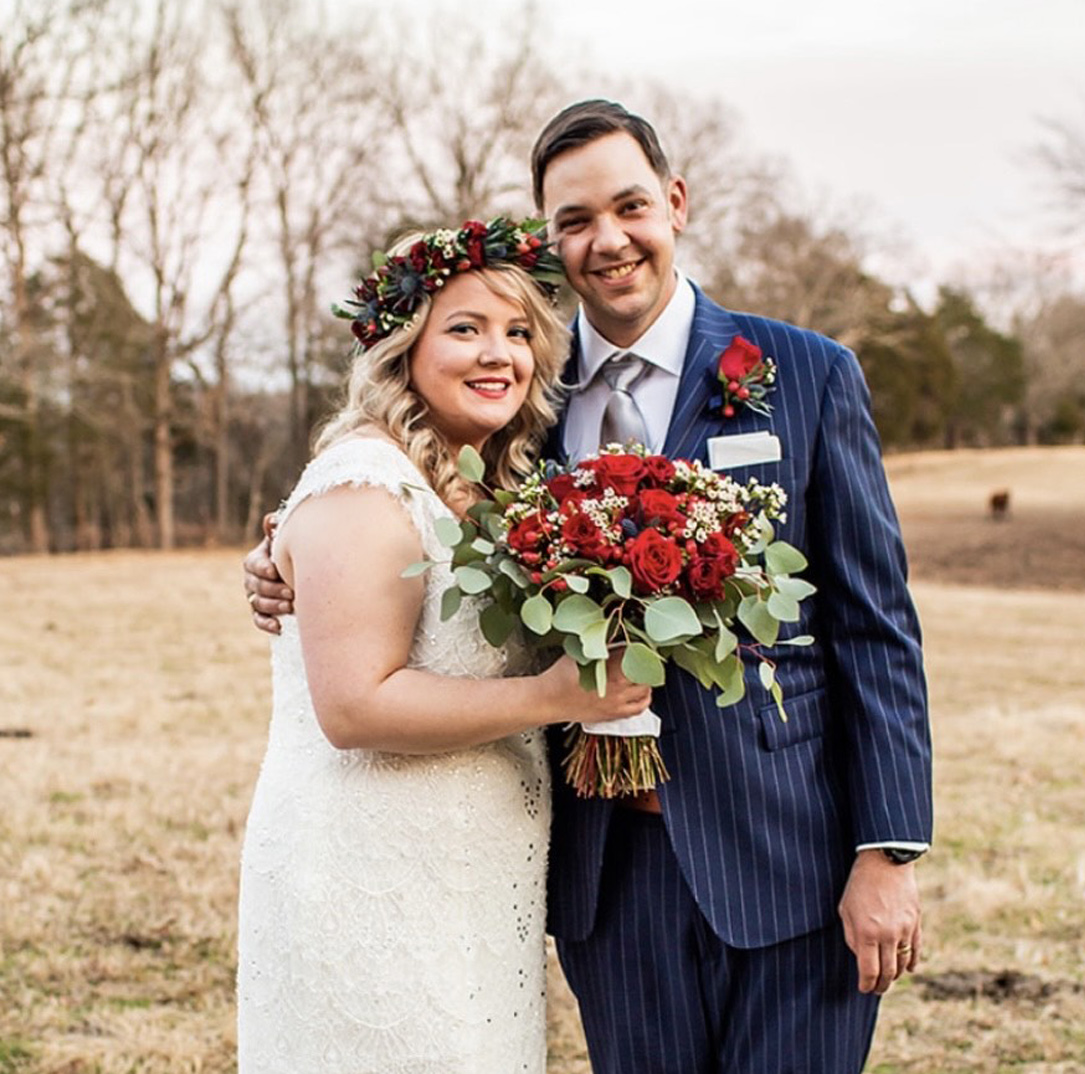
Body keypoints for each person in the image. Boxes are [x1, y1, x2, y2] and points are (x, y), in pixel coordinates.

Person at [246, 101, 932, 1074]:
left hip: (792, 855)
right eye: (574, 221)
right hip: (610, 869)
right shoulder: (521, 404)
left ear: (676, 204)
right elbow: (402, 517)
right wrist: (284, 555)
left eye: (629, 206)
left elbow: (876, 628)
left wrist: (888, 850)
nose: (607, 240)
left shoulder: (805, 376)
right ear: (552, 241)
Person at [235, 217, 653, 1074]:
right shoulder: (368, 479)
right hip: (371, 881)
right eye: (464, 329)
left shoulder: (484, 480)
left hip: (465, 879)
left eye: (517, 333)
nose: (498, 353)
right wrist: (557, 697)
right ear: (402, 348)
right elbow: (354, 705)